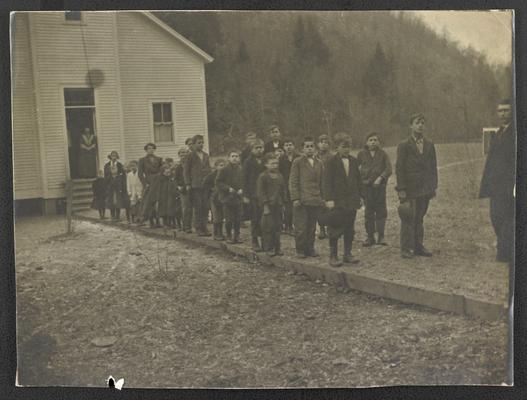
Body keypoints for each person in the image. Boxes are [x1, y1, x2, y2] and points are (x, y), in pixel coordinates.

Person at [395, 113, 438, 259]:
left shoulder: (430, 145)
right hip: (410, 189)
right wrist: (401, 189)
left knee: (420, 218)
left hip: (424, 189)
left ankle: (418, 246)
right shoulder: (404, 145)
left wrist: (433, 186)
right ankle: (406, 248)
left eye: (422, 122)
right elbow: (399, 168)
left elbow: (433, 167)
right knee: (408, 217)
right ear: (410, 125)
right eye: (417, 122)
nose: (420, 125)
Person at [479, 99, 516, 263]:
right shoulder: (498, 133)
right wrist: (486, 185)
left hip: (510, 187)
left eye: (506, 110)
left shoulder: (516, 133)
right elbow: (490, 162)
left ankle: (504, 252)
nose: (503, 114)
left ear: (513, 112)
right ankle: (505, 248)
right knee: (496, 218)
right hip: (496, 187)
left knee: (509, 219)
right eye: (500, 111)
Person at [324, 133, 362, 266]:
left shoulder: (354, 161)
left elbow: (358, 180)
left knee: (349, 228)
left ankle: (347, 253)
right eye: (344, 146)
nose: (347, 149)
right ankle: (333, 255)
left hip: (351, 200)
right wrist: (329, 199)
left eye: (349, 147)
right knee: (335, 227)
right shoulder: (331, 162)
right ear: (336, 147)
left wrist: (360, 196)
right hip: (338, 201)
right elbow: (327, 182)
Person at [289, 137, 325, 259]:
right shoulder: (297, 162)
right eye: (307, 147)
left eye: (311, 146)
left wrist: (322, 197)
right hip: (302, 200)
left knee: (312, 226)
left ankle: (310, 248)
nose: (309, 149)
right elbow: (293, 181)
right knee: (301, 226)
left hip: (315, 199)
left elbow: (322, 182)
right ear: (302, 149)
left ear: (315, 149)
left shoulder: (319, 163)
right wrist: (295, 198)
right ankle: (300, 249)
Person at [357, 132, 392, 246]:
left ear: (379, 142)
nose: (373, 142)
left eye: (375, 140)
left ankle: (381, 236)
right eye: (370, 140)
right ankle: (370, 236)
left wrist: (381, 178)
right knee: (369, 212)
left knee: (381, 211)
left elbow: (388, 169)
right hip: (367, 188)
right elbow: (356, 170)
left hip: (379, 188)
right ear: (366, 142)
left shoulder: (383, 154)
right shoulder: (361, 154)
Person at [257, 153, 287, 256]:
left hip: (278, 205)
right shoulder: (263, 177)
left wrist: (283, 202)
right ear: (266, 164)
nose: (275, 165)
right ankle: (268, 248)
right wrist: (265, 206)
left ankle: (277, 247)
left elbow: (283, 190)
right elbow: (261, 192)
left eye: (276, 163)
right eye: (272, 163)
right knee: (268, 227)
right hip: (268, 206)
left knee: (278, 227)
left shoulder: (280, 176)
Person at [184, 135, 212, 236]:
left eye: (202, 142)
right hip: (195, 185)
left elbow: (208, 169)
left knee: (205, 206)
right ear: (194, 144)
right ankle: (198, 228)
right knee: (198, 206)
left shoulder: (205, 155)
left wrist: (210, 181)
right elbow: (186, 171)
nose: (201, 145)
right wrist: (188, 183)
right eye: (199, 143)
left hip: (205, 185)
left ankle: (204, 227)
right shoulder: (190, 156)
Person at [243, 139, 266, 251]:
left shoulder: (266, 160)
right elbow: (244, 179)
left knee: (265, 217)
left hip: (265, 194)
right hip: (253, 194)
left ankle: (265, 240)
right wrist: (246, 195)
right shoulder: (248, 162)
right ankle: (255, 240)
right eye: (256, 148)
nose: (259, 150)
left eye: (260, 147)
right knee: (255, 218)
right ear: (252, 149)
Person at [216, 151, 244, 244]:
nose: (235, 158)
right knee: (228, 219)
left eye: (236, 156)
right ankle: (229, 235)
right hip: (227, 198)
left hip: (238, 198)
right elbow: (218, 182)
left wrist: (242, 189)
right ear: (229, 158)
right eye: (232, 156)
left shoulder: (241, 169)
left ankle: (237, 235)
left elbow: (245, 182)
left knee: (238, 218)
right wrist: (228, 188)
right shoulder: (224, 170)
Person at [138, 143, 163, 228]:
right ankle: (151, 221)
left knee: (157, 201)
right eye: (149, 148)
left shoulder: (159, 159)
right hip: (149, 182)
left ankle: (158, 221)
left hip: (158, 182)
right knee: (149, 202)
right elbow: (140, 174)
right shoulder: (142, 160)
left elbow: (162, 170)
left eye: (152, 148)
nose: (151, 150)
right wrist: (145, 184)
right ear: (146, 150)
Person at [278, 138, 300, 235]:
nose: (289, 147)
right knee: (287, 207)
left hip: (296, 185)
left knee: (297, 207)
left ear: (294, 146)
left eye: (290, 145)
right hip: (285, 185)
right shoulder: (281, 159)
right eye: (286, 145)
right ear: (283, 147)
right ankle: (288, 226)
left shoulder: (298, 157)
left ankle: (296, 226)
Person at [203, 159, 226, 241]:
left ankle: (221, 233)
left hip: (222, 198)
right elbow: (205, 186)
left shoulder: (225, 175)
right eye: (220, 165)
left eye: (223, 165)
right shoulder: (211, 176)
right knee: (216, 216)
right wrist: (210, 192)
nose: (222, 167)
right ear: (216, 167)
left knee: (222, 216)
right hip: (213, 199)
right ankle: (216, 234)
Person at [316, 134, 332, 239]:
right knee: (320, 207)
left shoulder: (332, 157)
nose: (324, 144)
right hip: (318, 185)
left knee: (330, 207)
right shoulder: (315, 156)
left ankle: (330, 228)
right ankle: (321, 229)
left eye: (326, 142)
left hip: (329, 184)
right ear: (318, 144)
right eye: (322, 142)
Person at [104, 151, 127, 221]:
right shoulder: (107, 165)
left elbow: (123, 176)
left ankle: (117, 216)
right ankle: (112, 215)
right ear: (110, 157)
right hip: (110, 185)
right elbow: (105, 176)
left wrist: (121, 183)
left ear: (117, 157)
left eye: (115, 156)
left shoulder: (120, 165)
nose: (114, 157)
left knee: (118, 200)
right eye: (112, 156)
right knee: (111, 200)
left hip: (118, 185)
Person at [175, 146, 191, 232]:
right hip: (183, 189)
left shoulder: (190, 164)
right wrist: (179, 186)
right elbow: (176, 179)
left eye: (185, 152)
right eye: (181, 153)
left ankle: (192, 225)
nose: (183, 154)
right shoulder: (178, 166)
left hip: (191, 188)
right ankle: (186, 226)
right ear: (179, 155)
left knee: (192, 208)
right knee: (185, 208)